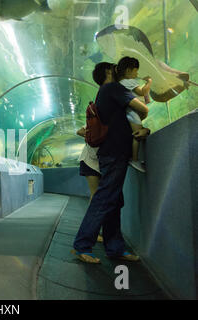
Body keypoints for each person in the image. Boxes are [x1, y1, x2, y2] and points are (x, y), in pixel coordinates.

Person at [71, 62, 151, 264]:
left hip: (112, 152)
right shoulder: (112, 88)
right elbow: (143, 109)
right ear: (108, 71)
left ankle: (114, 248)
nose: (117, 70)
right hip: (114, 152)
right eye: (114, 68)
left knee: (113, 200)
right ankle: (82, 245)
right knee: (105, 198)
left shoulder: (103, 93)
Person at [116, 56, 153, 173]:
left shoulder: (120, 83)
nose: (137, 74)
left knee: (138, 132)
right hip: (132, 112)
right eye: (136, 71)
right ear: (128, 71)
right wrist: (149, 82)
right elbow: (142, 92)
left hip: (128, 112)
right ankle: (135, 159)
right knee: (137, 135)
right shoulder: (128, 81)